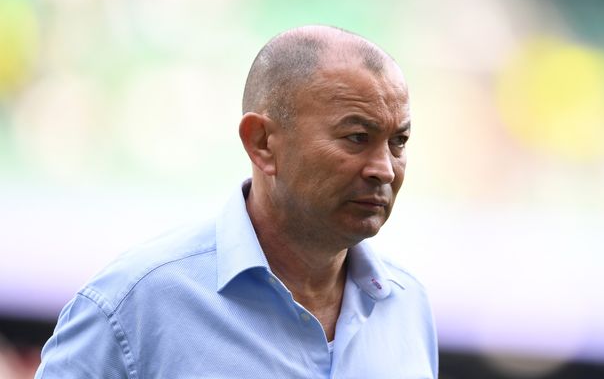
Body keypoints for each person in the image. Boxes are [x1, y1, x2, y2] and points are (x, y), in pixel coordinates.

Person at [35, 25, 438, 378]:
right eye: (357, 137)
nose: (384, 169)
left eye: (398, 141)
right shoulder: (133, 306)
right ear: (262, 143)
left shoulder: (407, 307)